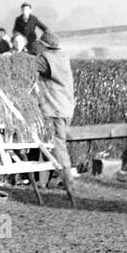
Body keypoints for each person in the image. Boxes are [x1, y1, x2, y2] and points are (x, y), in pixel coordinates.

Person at [27, 32, 76, 185]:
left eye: (39, 44)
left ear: (44, 45)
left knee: (58, 147)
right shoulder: (62, 57)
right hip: (66, 108)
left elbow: (27, 65)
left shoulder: (46, 59)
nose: (38, 46)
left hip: (54, 109)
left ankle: (68, 183)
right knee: (57, 145)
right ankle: (52, 181)